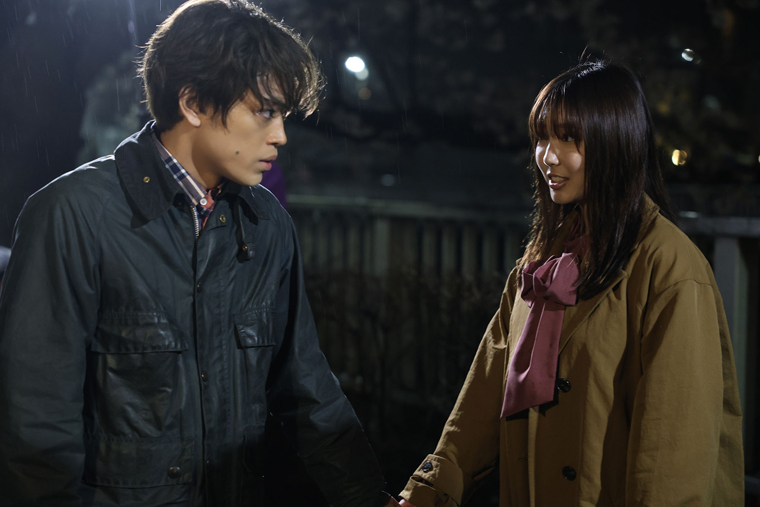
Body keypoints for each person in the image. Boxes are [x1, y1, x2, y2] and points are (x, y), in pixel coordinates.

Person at [0, 1, 400, 506]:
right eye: (265, 111)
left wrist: (370, 498)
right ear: (193, 103)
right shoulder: (72, 215)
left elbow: (307, 388)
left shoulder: (267, 222)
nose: (280, 135)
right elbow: (34, 428)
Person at [398, 60, 744, 506]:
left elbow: (671, 455)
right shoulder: (541, 262)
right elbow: (482, 400)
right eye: (542, 137)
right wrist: (424, 494)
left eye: (568, 138)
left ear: (614, 142)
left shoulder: (669, 268)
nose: (548, 156)